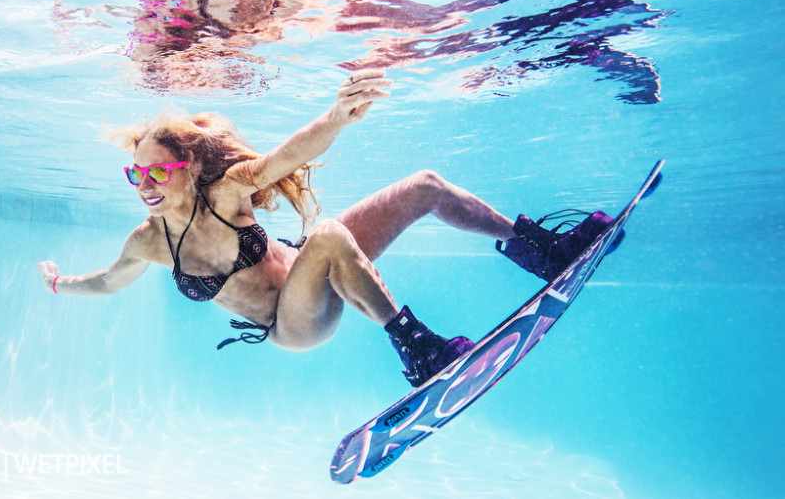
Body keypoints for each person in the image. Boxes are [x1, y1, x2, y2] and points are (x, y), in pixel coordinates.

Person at [37, 69, 616, 386]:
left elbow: (286, 157)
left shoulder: (226, 194)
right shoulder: (149, 241)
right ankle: (419, 351)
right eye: (134, 172)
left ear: (186, 168)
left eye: (156, 170)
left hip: (312, 264)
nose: (143, 183)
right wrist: (62, 285)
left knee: (424, 186)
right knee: (332, 236)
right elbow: (110, 282)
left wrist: (336, 116)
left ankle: (539, 250)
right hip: (294, 324)